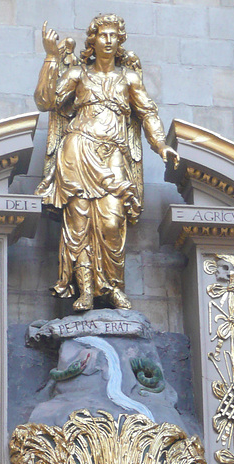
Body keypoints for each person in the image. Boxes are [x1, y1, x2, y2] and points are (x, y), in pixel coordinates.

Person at [35, 14, 179, 312]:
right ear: (94, 40)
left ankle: (112, 287)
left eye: (114, 35)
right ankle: (85, 291)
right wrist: (51, 58)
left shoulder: (129, 78)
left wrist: (160, 144)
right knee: (79, 224)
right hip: (77, 151)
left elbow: (148, 113)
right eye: (103, 35)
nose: (109, 40)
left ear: (120, 40)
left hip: (113, 154)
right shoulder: (78, 75)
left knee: (112, 223)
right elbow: (46, 101)